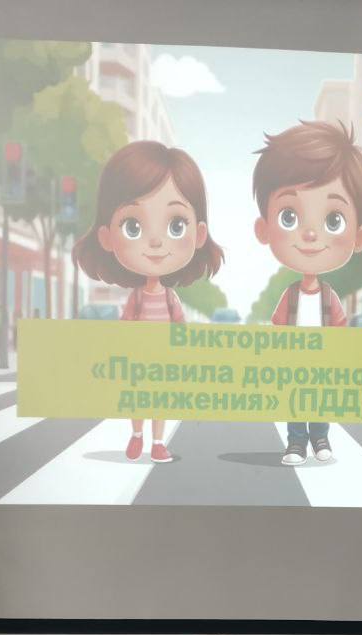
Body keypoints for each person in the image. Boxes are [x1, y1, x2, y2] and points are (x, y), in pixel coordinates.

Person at [74, 140, 224, 463]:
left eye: (176, 225)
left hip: (163, 360)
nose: (155, 241)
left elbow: (180, 325)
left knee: (160, 401)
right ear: (107, 237)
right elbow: (126, 324)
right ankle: (137, 435)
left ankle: (157, 442)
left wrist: (183, 351)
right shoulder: (138, 296)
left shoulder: (170, 297)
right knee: (138, 399)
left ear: (199, 235)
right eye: (133, 226)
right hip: (139, 358)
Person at [252, 120, 362, 465]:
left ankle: (320, 439)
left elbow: (340, 326)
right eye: (289, 217)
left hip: (322, 363)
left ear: (359, 237)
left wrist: (337, 355)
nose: (309, 234)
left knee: (320, 401)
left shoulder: (329, 296)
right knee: (296, 402)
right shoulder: (289, 295)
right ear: (264, 229)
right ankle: (296, 443)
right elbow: (278, 325)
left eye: (333, 220)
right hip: (295, 362)